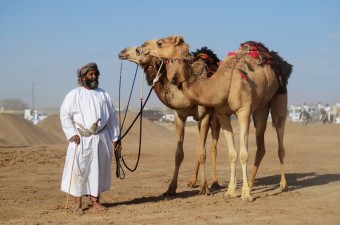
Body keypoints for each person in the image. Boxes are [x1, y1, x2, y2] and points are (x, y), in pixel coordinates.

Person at [60, 62, 121, 212]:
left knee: (97, 170)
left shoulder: (104, 94)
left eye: (96, 74)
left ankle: (95, 201)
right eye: (91, 74)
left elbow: (112, 117)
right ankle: (77, 203)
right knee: (79, 170)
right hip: (81, 139)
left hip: (101, 138)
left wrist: (115, 138)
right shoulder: (74, 94)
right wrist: (72, 133)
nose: (94, 77)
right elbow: (65, 115)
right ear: (83, 77)